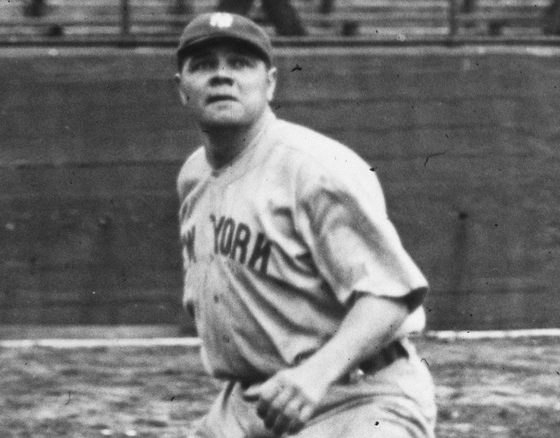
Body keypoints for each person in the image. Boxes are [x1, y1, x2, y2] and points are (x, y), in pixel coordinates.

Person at [174, 12, 436, 438]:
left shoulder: (314, 170)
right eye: (203, 65)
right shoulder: (194, 178)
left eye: (240, 63)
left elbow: (390, 297)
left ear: (270, 83)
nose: (222, 75)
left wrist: (315, 374)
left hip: (359, 397)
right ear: (182, 88)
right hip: (252, 404)